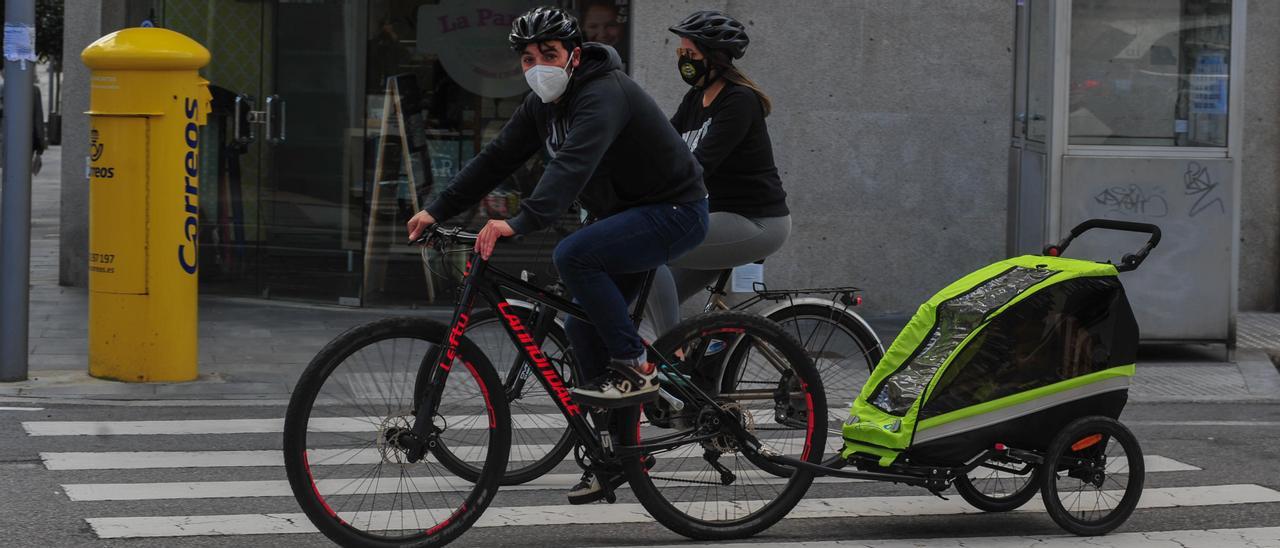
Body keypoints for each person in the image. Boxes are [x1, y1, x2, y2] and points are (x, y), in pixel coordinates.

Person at [405, 6, 709, 503]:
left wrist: (521, 219)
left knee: (574, 256)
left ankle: (635, 364)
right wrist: (437, 210)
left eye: (549, 53)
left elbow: (573, 164)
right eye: (527, 58)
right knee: (580, 329)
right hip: (624, 218)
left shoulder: (603, 92)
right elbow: (496, 157)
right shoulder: (543, 104)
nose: (537, 66)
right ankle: (617, 455)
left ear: (575, 54)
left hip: (675, 211)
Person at [647, 11, 790, 336]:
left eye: (691, 54)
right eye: (681, 53)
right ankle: (699, 375)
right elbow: (663, 146)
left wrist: (648, 196)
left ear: (715, 57)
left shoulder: (740, 100)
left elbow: (698, 165)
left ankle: (673, 359)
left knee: (648, 250)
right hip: (717, 219)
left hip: (756, 222)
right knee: (647, 301)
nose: (684, 60)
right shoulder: (696, 96)